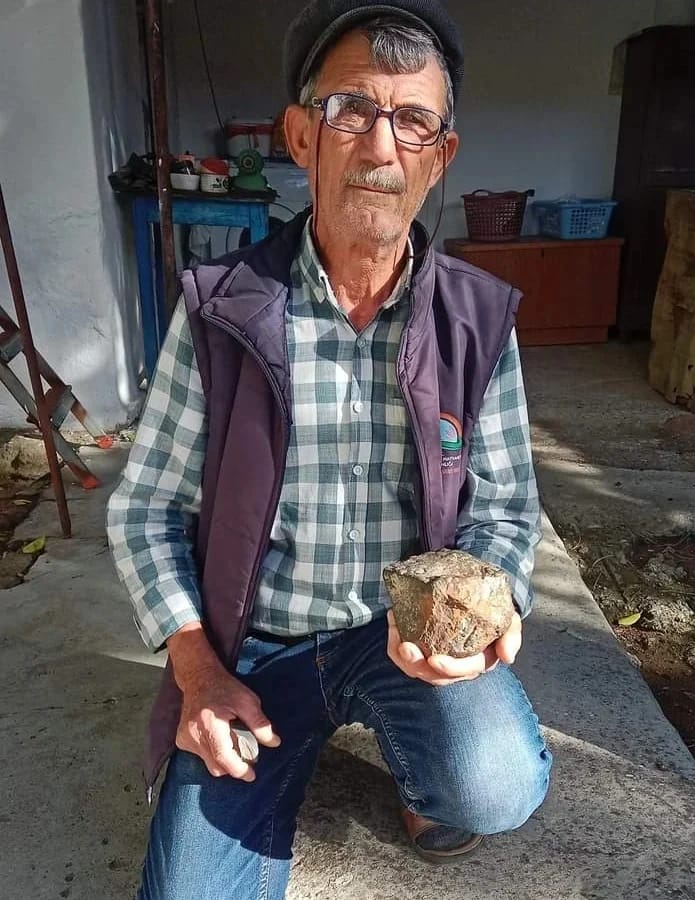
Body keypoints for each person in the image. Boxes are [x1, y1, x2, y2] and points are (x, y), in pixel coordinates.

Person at [107, 1, 552, 897]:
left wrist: (492, 612)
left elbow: (506, 511)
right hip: (256, 647)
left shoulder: (477, 320)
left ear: (440, 156)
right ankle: (286, 745)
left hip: (401, 638)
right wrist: (197, 671)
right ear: (302, 136)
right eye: (352, 109)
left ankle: (423, 771)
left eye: (414, 120)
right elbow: (147, 509)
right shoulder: (221, 309)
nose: (381, 147)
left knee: (493, 782)